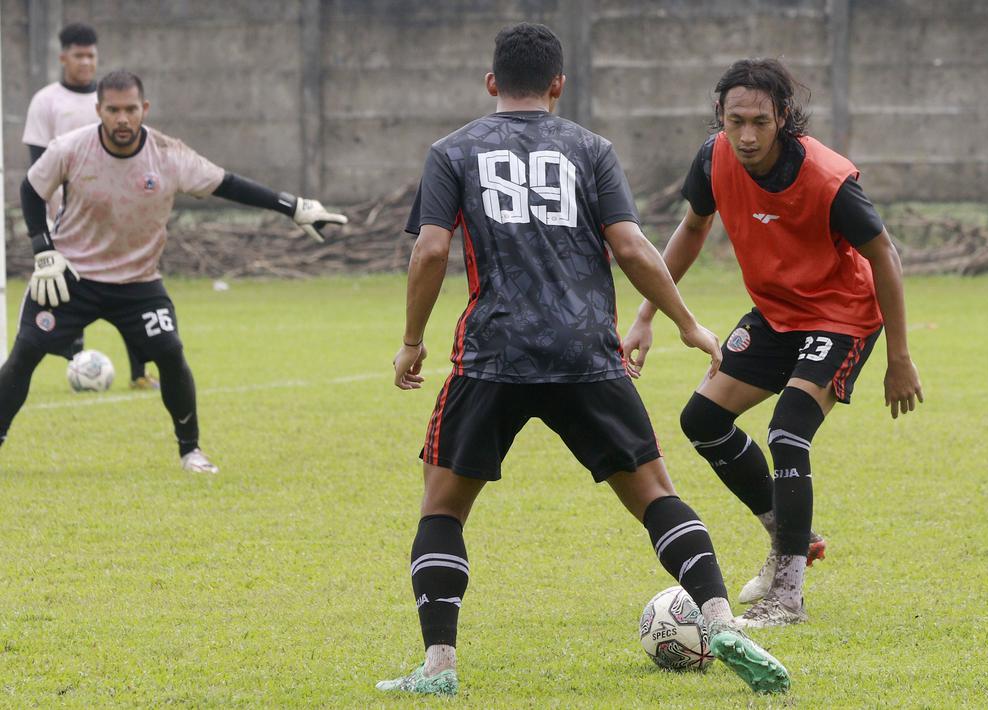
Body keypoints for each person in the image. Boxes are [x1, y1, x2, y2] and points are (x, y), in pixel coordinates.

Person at [378, 24, 790, 697]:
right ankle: (720, 622)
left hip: (494, 353)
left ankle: (437, 670)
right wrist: (683, 322)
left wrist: (413, 340)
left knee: (442, 510)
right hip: (584, 349)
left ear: (490, 84)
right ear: (557, 85)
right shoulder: (588, 148)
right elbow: (629, 246)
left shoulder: (452, 151)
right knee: (655, 495)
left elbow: (428, 252)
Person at [622, 58, 924, 627]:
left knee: (787, 432)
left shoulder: (828, 179)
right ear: (721, 116)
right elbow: (691, 228)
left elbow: (883, 253)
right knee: (702, 421)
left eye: (760, 121)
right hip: (776, 313)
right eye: (735, 120)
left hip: (841, 316)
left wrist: (900, 359)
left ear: (783, 117)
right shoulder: (714, 158)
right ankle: (792, 536)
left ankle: (787, 596)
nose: (747, 135)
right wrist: (646, 315)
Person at [0, 70, 347, 473]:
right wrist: (43, 250)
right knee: (25, 353)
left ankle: (191, 451)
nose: (123, 119)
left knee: (170, 352)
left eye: (131, 109)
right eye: (113, 110)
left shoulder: (169, 155)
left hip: (138, 282)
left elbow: (228, 184)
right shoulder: (71, 148)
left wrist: (294, 206)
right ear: (99, 111)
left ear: (144, 108)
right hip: (72, 277)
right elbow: (31, 188)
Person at [22, 22, 158, 389]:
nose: (85, 62)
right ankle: (73, 364)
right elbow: (38, 171)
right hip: (69, 221)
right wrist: (47, 224)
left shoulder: (113, 99)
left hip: (117, 218)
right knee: (70, 296)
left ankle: (139, 373)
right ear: (63, 56)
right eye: (78, 55)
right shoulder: (46, 101)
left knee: (132, 287)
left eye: (91, 55)